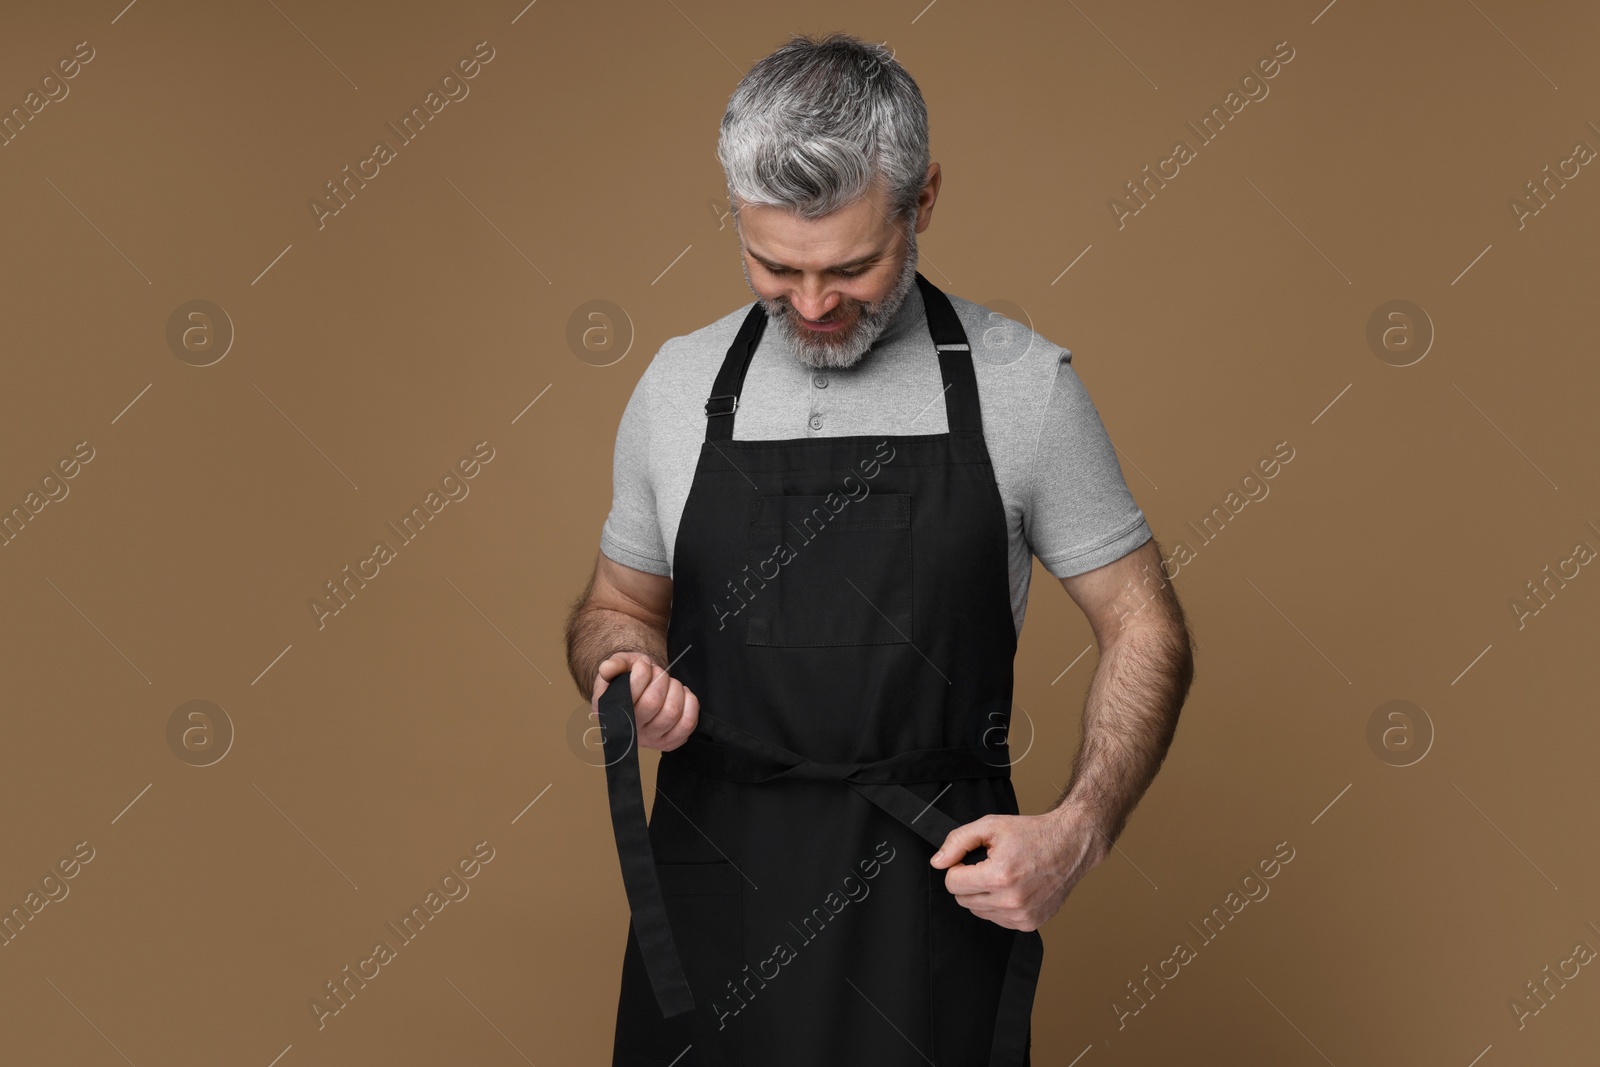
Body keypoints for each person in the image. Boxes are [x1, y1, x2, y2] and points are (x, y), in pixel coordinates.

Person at [565, 31, 1195, 1067]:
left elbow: (1143, 622)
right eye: (776, 266)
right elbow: (613, 608)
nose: (812, 305)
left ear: (924, 201)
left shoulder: (1023, 387)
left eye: (852, 266)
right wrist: (618, 667)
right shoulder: (677, 389)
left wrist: (1077, 830)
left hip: (926, 909)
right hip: (710, 902)